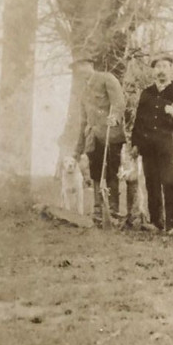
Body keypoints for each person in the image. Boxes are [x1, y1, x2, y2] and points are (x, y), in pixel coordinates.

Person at [131, 55, 173, 234]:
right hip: (147, 147)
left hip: (169, 146)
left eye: (165, 66)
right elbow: (138, 121)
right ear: (154, 71)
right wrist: (135, 144)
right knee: (151, 183)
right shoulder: (147, 93)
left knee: (170, 183)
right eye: (157, 66)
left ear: (171, 69)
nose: (161, 70)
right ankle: (155, 222)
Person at [69, 56, 126, 225]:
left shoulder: (107, 79)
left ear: (90, 65)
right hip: (92, 139)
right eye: (77, 68)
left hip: (110, 135)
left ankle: (113, 211)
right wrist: (77, 150)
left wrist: (115, 117)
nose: (80, 70)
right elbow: (83, 122)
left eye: (82, 65)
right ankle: (98, 209)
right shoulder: (83, 92)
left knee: (111, 172)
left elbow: (119, 102)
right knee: (95, 174)